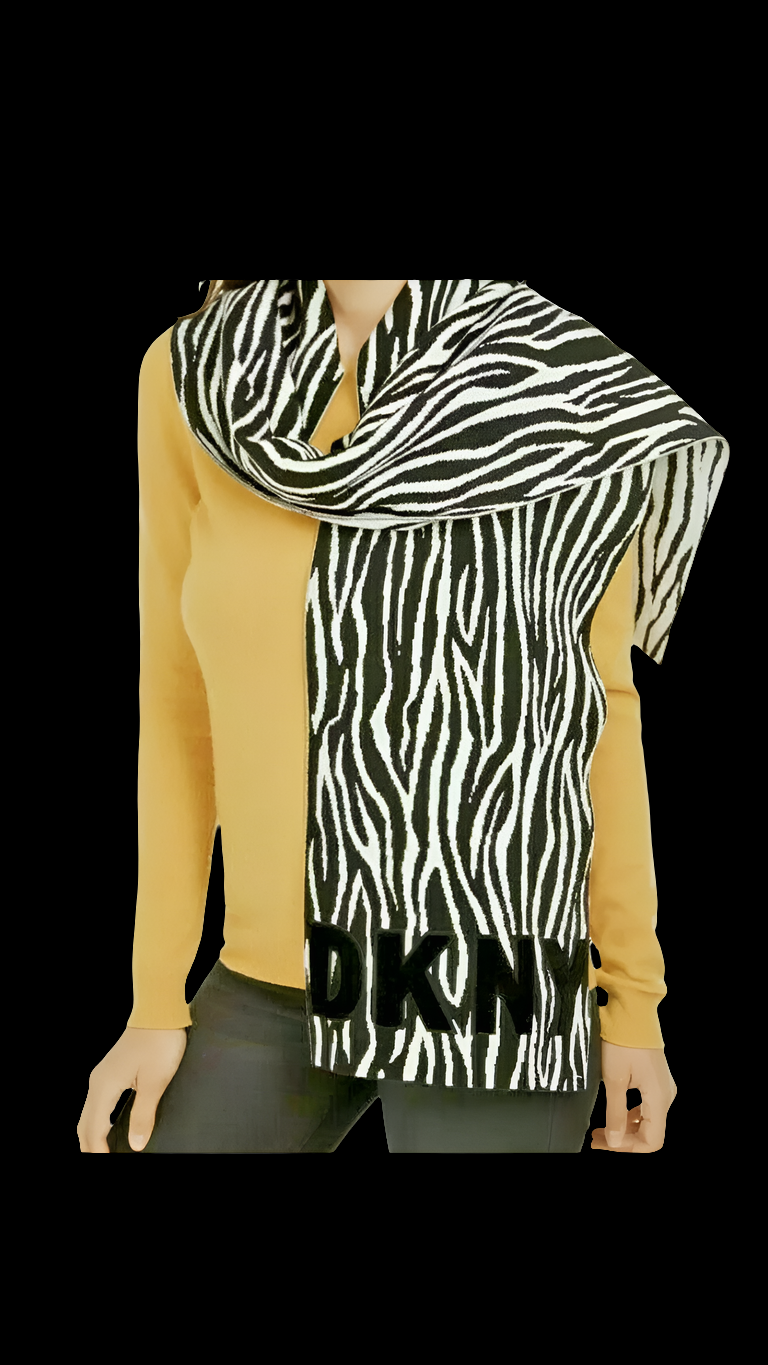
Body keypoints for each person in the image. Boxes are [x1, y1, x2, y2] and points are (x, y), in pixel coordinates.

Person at [78, 279, 720, 1153]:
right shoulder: (199, 370)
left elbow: (600, 707)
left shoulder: (565, 383)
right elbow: (176, 696)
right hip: (275, 977)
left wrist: (634, 1002)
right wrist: (154, 999)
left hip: (490, 983)